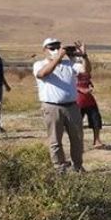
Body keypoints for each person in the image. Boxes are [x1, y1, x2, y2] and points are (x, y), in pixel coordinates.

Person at [33, 38, 89, 173]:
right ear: (44, 50)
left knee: (77, 138)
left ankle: (78, 166)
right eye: (52, 48)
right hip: (52, 107)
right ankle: (59, 168)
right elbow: (43, 74)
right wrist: (59, 57)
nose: (56, 50)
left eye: (58, 47)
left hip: (72, 106)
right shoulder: (39, 64)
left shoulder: (69, 64)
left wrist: (84, 56)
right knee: (55, 140)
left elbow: (86, 71)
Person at [74, 59, 105, 149]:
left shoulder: (87, 73)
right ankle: (78, 142)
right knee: (77, 123)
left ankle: (97, 140)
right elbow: (71, 85)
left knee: (96, 119)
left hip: (89, 100)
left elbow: (89, 83)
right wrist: (81, 90)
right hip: (78, 101)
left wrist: (90, 87)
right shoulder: (73, 72)